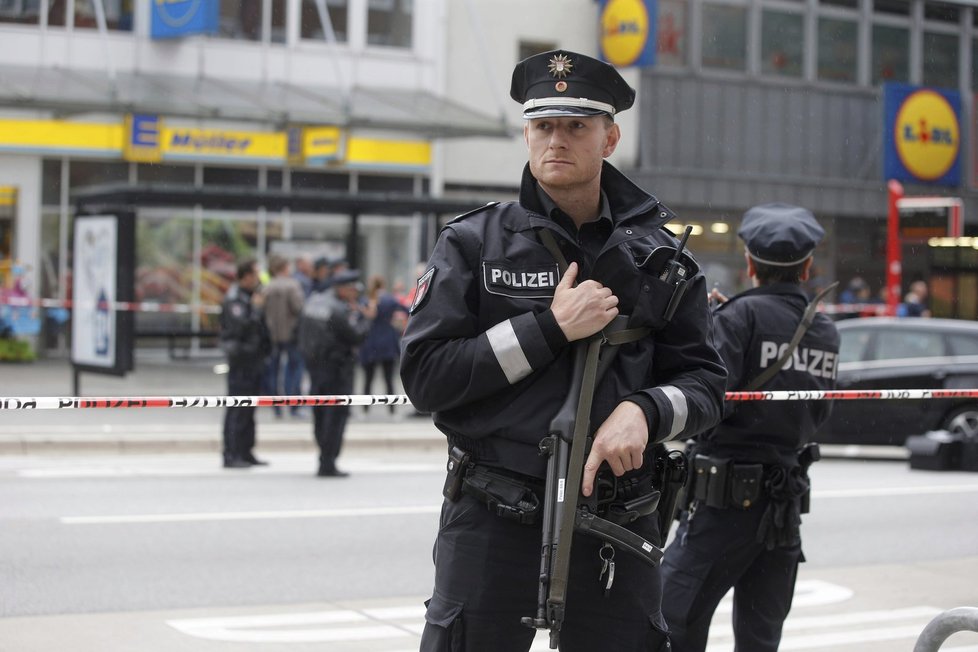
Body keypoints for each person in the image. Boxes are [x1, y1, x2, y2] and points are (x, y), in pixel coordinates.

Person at [399, 49, 727, 651]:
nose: (557, 140)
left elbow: (707, 385)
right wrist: (547, 328)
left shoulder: (661, 257)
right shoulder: (472, 243)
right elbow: (425, 377)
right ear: (526, 133)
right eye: (544, 125)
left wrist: (647, 410)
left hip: (618, 517)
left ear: (610, 138)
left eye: (577, 126)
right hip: (492, 516)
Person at [660, 203, 841, 652]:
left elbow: (708, 401)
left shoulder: (737, 318)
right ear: (808, 267)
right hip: (784, 507)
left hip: (724, 505)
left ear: (749, 263)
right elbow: (817, 414)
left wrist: (714, 325)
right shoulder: (824, 330)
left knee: (670, 621)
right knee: (760, 639)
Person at [297, 269, 374, 477]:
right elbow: (355, 336)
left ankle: (323, 454)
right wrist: (367, 320)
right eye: (353, 289)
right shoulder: (338, 309)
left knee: (320, 413)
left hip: (315, 367)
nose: (355, 294)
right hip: (337, 368)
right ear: (343, 288)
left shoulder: (314, 301)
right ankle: (328, 461)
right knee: (336, 415)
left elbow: (301, 332)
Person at [219, 259, 271, 468]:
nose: (258, 278)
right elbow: (241, 328)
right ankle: (231, 453)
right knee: (237, 408)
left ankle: (246, 450)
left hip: (254, 359)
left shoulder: (249, 297)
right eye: (255, 274)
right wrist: (256, 310)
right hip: (241, 360)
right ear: (246, 276)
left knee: (250, 408)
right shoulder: (235, 299)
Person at [261, 254, 306, 418]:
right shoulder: (293, 286)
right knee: (294, 368)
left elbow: (260, 310)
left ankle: (276, 407)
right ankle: (293, 404)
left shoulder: (267, 287)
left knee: (273, 370)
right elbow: (299, 308)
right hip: (292, 334)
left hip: (272, 335)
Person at [359, 275, 410, 414]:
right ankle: (392, 409)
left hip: (371, 341)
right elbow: (407, 310)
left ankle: (365, 409)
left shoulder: (366, 300)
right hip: (387, 340)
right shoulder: (390, 299)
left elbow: (359, 319)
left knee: (368, 378)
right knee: (389, 378)